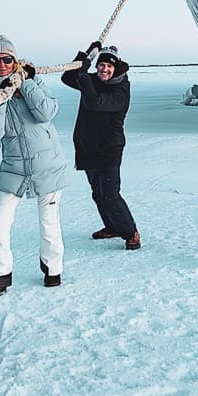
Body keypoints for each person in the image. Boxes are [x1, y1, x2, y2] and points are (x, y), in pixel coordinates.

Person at [0, 34, 68, 299]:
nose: (2, 65)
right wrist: (1, 95)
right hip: (14, 167)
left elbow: (46, 112)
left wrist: (25, 83)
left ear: (14, 60)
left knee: (49, 224)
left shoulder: (32, 80)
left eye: (7, 59)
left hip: (47, 164)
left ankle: (53, 270)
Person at [61, 40, 141, 249]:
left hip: (109, 148)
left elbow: (95, 102)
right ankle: (112, 226)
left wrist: (84, 75)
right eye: (101, 65)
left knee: (110, 194)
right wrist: (86, 55)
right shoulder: (93, 79)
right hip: (88, 145)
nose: (104, 69)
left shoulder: (121, 90)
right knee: (97, 192)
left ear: (116, 68)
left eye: (109, 66)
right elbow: (67, 77)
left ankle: (130, 232)